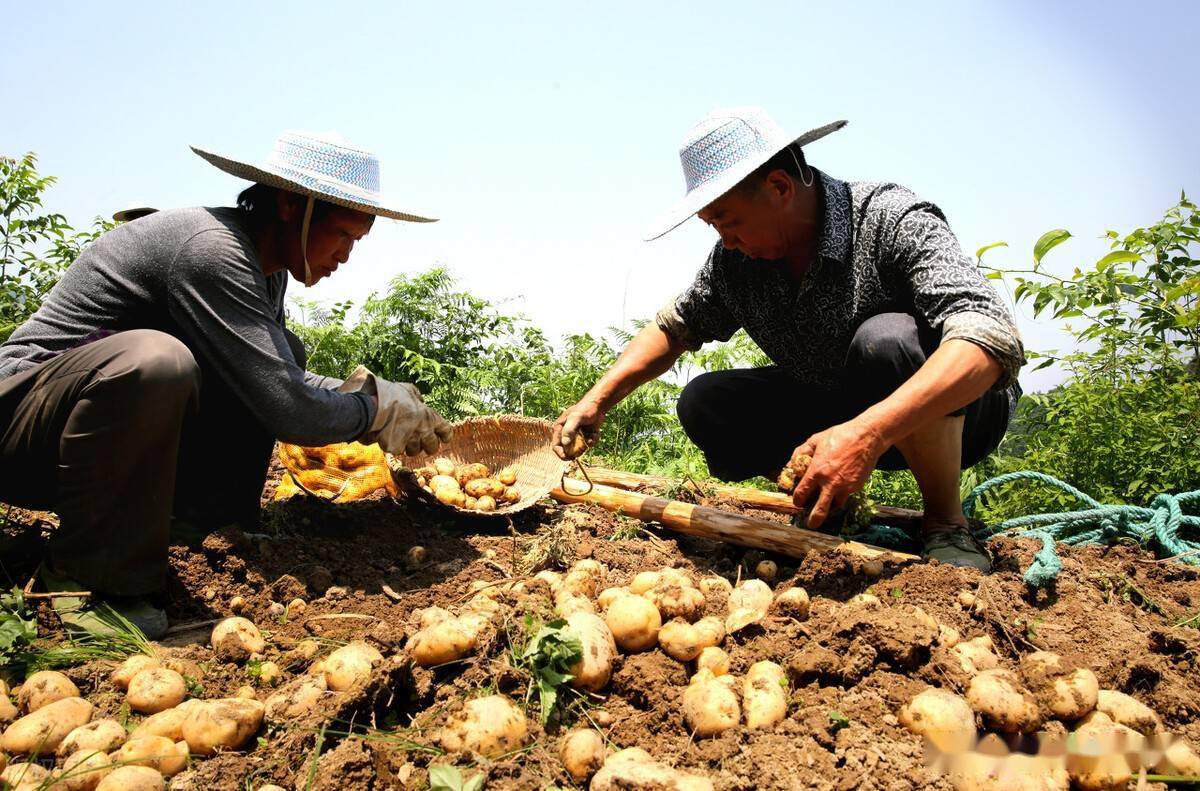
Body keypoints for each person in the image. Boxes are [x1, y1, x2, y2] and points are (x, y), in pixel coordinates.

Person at [0, 131, 452, 637]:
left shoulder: (268, 268)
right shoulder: (210, 250)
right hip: (22, 427)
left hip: (88, 445)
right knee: (156, 362)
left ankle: (202, 529)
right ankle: (86, 574)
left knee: (283, 352)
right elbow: (289, 409)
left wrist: (369, 393)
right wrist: (374, 412)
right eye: (342, 235)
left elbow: (274, 376)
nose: (345, 255)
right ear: (289, 205)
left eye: (356, 242)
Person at [552, 107, 1024, 572]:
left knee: (885, 340)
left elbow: (989, 336)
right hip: (840, 405)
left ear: (778, 187)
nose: (725, 239)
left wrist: (867, 433)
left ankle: (946, 524)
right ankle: (823, 500)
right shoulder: (735, 264)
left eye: (727, 219)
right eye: (713, 227)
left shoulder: (888, 217)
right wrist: (597, 400)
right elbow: (674, 327)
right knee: (707, 400)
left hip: (958, 411)